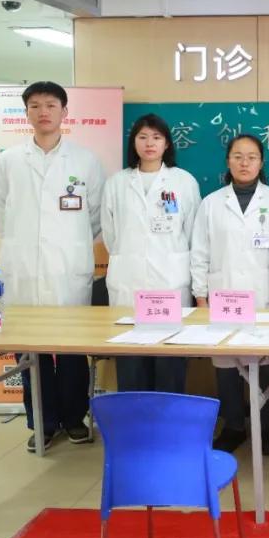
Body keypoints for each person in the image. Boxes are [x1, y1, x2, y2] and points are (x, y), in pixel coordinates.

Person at [0, 81, 105, 452]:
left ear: (64, 112)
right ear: (26, 113)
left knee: (71, 350)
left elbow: (96, 216)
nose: (43, 112)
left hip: (68, 268)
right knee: (30, 353)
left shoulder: (85, 160)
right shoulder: (8, 160)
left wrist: (66, 243)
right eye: (35, 105)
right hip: (23, 268)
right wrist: (26, 243)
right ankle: (41, 422)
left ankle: (74, 419)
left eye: (51, 105)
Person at [191, 134, 269, 455]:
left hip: (263, 296)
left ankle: (266, 428)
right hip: (224, 295)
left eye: (252, 157)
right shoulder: (211, 203)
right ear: (228, 161)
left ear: (261, 162)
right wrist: (200, 296)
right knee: (227, 365)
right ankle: (233, 426)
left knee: (266, 366)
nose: (245, 163)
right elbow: (199, 252)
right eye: (238, 156)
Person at [101, 114, 200, 393]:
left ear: (167, 144)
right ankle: (135, 418)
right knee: (131, 361)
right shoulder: (117, 183)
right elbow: (110, 235)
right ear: (133, 142)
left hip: (170, 283)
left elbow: (192, 233)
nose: (149, 143)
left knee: (170, 361)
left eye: (156, 137)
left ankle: (168, 418)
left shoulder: (184, 182)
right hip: (128, 283)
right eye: (143, 137)